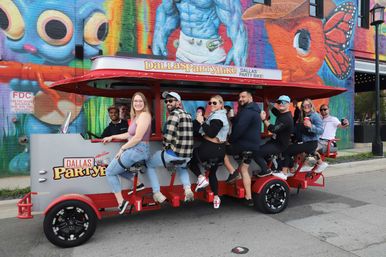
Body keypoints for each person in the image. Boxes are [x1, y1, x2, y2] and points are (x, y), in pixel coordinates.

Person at [152, 0, 247, 66]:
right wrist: (160, 33)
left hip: (210, 53)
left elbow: (234, 17)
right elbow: (169, 12)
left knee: (212, 92)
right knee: (182, 90)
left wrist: (239, 44)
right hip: (183, 51)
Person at [102, 92, 152, 214]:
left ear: (144, 103)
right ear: (132, 103)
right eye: (135, 101)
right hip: (135, 149)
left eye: (140, 101)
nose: (138, 103)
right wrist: (112, 136)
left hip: (138, 150)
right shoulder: (136, 117)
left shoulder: (145, 115)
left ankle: (121, 202)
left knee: (109, 171)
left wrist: (122, 148)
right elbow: (129, 134)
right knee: (115, 168)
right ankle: (139, 184)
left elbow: (137, 138)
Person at [146, 91, 195, 204]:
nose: (168, 103)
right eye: (166, 101)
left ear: (178, 103)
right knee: (182, 167)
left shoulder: (174, 114)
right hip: (187, 156)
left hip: (173, 154)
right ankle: (187, 189)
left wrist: (165, 148)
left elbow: (167, 137)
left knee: (149, 164)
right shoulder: (188, 115)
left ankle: (157, 193)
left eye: (171, 101)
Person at [188, 95, 229, 209]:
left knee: (189, 158)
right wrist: (199, 121)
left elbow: (211, 133)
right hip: (220, 151)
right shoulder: (219, 116)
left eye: (215, 103)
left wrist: (202, 122)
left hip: (210, 149)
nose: (211, 105)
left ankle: (201, 178)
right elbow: (201, 132)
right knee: (212, 173)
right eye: (210, 103)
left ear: (221, 104)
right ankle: (216, 197)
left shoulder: (218, 117)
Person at [225, 90, 262, 206]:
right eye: (239, 97)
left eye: (243, 97)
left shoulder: (247, 111)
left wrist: (229, 141)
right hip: (253, 147)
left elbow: (239, 128)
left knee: (220, 149)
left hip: (244, 145)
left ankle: (233, 172)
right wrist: (233, 119)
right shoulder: (254, 110)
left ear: (250, 98)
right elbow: (242, 123)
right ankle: (249, 197)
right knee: (244, 169)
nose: (240, 99)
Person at [275, 98, 324, 180]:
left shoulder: (315, 115)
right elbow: (298, 129)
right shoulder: (303, 116)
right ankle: (291, 169)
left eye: (308, 105)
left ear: (311, 105)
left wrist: (311, 126)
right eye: (304, 105)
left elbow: (321, 130)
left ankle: (284, 173)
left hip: (310, 143)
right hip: (304, 141)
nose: (306, 107)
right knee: (287, 147)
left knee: (287, 150)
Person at [256, 95, 294, 177]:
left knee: (256, 153)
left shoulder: (286, 118)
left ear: (288, 104)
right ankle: (273, 168)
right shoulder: (282, 114)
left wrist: (263, 119)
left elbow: (273, 129)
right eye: (279, 102)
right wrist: (268, 103)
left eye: (283, 102)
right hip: (274, 142)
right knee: (260, 150)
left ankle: (266, 170)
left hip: (279, 145)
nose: (281, 104)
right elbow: (274, 111)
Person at [314, 104, 349, 173]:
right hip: (318, 141)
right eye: (321, 110)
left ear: (328, 110)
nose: (323, 111)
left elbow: (342, 126)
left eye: (325, 109)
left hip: (328, 142)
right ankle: (303, 166)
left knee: (311, 147)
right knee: (304, 145)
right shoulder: (320, 119)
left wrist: (345, 123)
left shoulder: (333, 119)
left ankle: (321, 164)